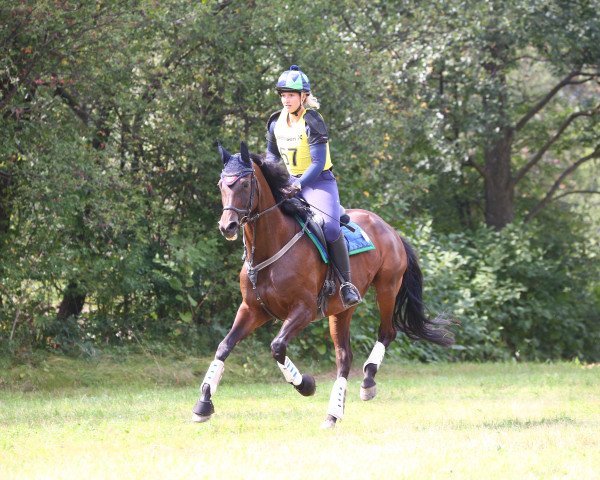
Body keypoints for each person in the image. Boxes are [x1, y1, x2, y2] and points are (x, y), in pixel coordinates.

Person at [265, 65, 361, 308]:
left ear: (303, 97)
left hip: (318, 182)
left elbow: (318, 163)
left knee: (329, 227)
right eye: (283, 95)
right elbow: (271, 158)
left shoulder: (313, 120)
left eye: (291, 95)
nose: (286, 100)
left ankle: (346, 284)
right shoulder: (275, 122)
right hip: (290, 181)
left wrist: (297, 185)